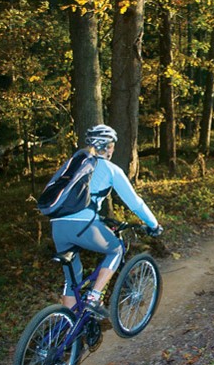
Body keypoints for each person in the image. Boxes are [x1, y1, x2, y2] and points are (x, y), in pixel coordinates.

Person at [50, 124, 163, 318]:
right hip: (82, 225)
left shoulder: (73, 164)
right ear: (108, 146)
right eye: (112, 145)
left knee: (72, 281)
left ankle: (65, 329)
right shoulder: (110, 169)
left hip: (57, 225)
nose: (113, 148)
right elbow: (135, 203)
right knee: (116, 249)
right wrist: (154, 224)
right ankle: (94, 297)